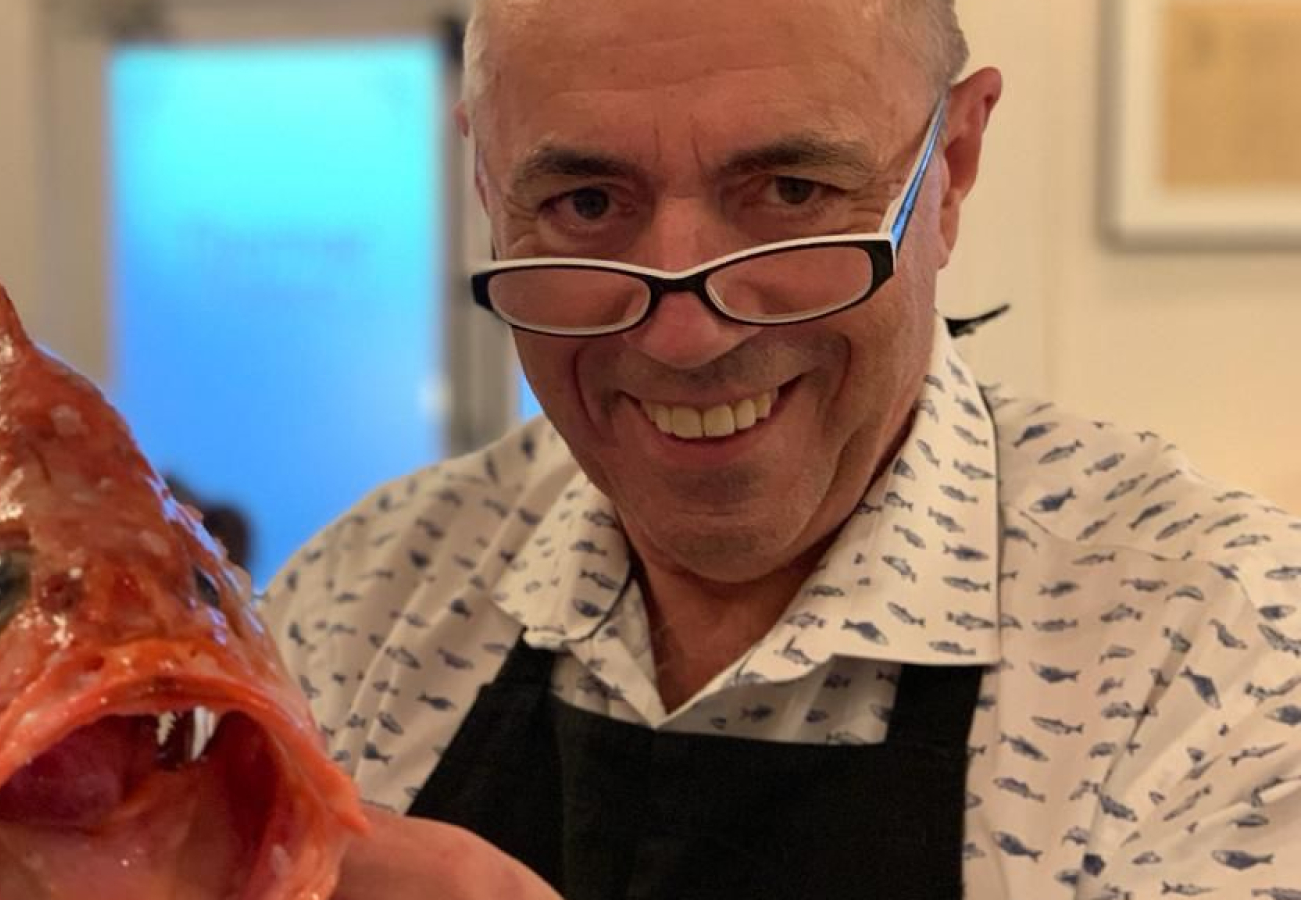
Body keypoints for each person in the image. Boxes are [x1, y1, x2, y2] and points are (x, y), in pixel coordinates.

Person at [260, 1, 1301, 898]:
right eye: (587, 205)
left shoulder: (1220, 654)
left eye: (792, 193)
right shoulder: (360, 602)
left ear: (950, 170)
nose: (684, 336)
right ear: (489, 191)